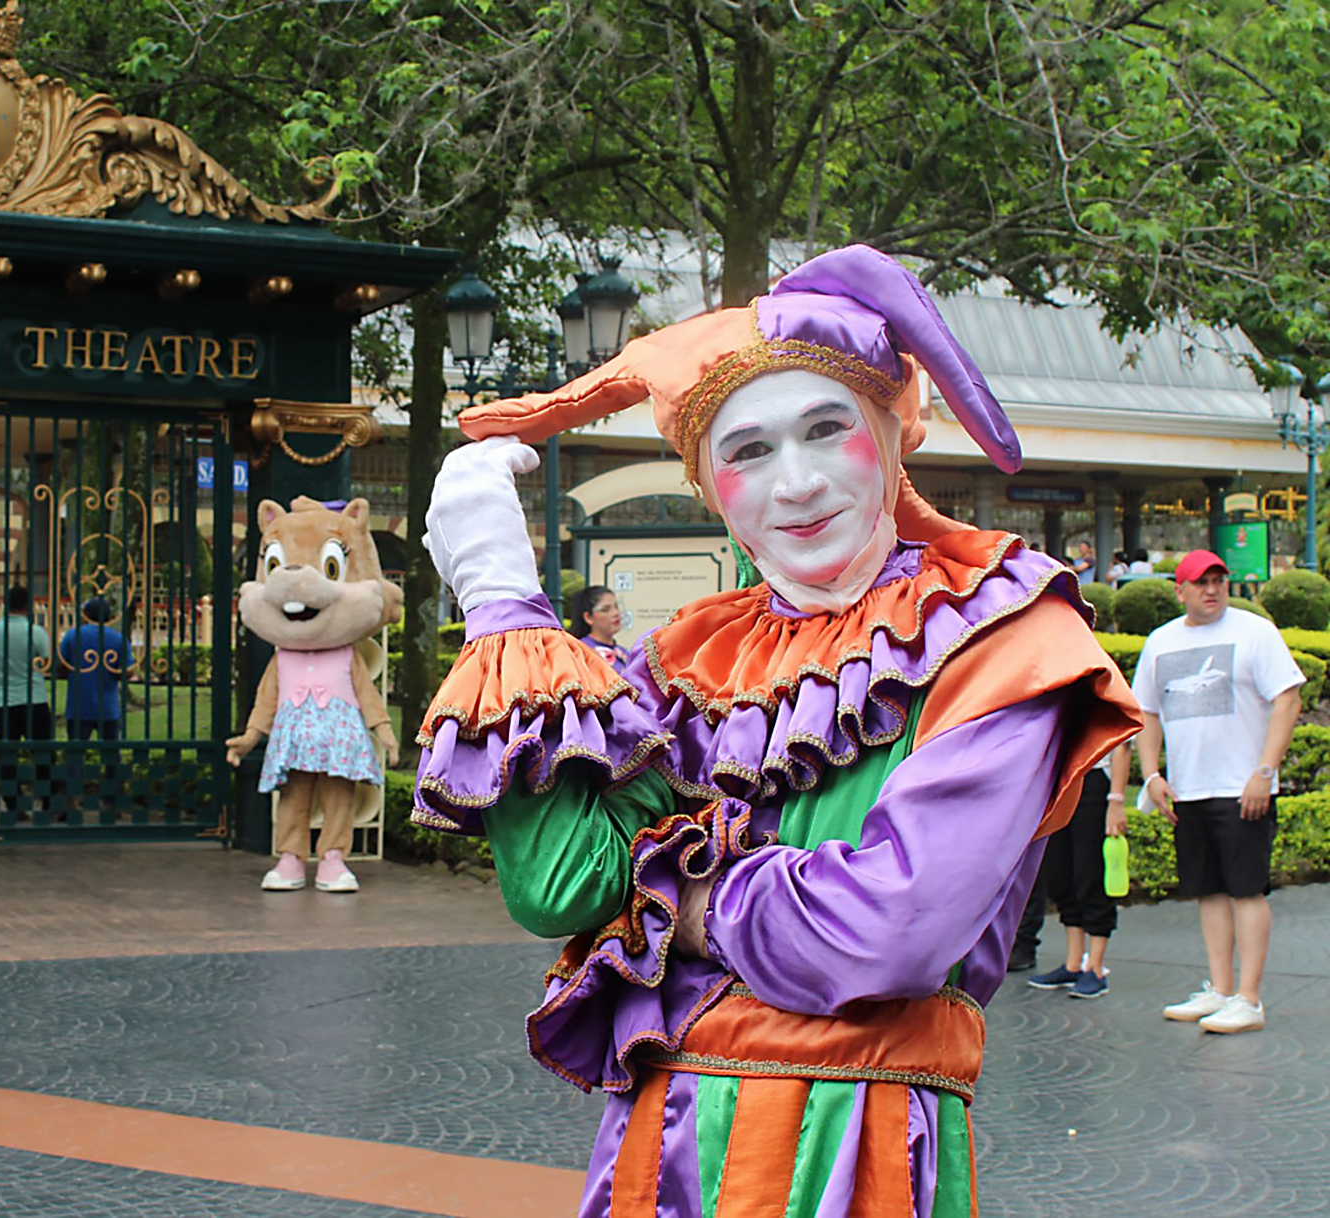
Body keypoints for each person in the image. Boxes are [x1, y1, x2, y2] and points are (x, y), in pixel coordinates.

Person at [413, 245, 1139, 1214]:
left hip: (855, 1143)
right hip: (658, 1141)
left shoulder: (1003, 635)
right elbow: (562, 889)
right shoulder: (685, 659)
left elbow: (888, 934)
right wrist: (506, 610)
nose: (793, 483)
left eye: (826, 429)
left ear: (889, 436)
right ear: (713, 489)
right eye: (748, 451)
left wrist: (683, 897)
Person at [1135, 549, 1302, 1034]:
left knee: (1247, 891)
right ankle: (1221, 989)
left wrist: (1264, 772)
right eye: (1200, 582)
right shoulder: (1161, 642)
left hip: (1241, 787)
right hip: (1189, 788)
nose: (1212, 589)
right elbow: (1146, 711)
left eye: (1219, 580)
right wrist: (1151, 774)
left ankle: (1249, 998)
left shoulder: (1255, 633)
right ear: (1179, 590)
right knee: (1208, 891)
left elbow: (1287, 700)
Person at [1026, 745, 1130, 997]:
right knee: (1060, 875)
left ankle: (1095, 967)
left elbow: (1123, 746)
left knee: (1090, 873)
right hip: (1061, 782)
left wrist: (1115, 800)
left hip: (1094, 781)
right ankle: (1073, 964)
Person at [0, 585, 52, 818]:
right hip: (34, 699)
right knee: (43, 754)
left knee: (8, 755)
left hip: (2, 701)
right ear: (28, 605)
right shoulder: (36, 632)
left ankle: (13, 805)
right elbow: (47, 660)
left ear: (5, 604)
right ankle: (47, 803)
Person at [59, 596, 128, 815]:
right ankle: (111, 802)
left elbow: (61, 666)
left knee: (75, 755)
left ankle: (71, 800)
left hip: (78, 704)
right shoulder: (117, 639)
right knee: (111, 756)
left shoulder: (72, 636)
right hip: (108, 706)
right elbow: (127, 671)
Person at [567, 585, 630, 671]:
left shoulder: (623, 653)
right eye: (605, 609)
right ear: (588, 617)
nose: (616, 613)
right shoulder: (581, 651)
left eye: (616, 607)